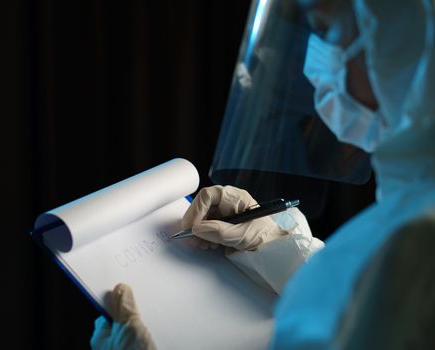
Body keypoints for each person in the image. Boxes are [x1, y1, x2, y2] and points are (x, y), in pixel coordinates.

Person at [91, 0, 435, 348]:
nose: (313, 64)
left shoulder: (419, 240)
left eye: (326, 30)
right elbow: (356, 301)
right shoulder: (413, 202)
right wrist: (275, 244)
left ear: (401, 40)